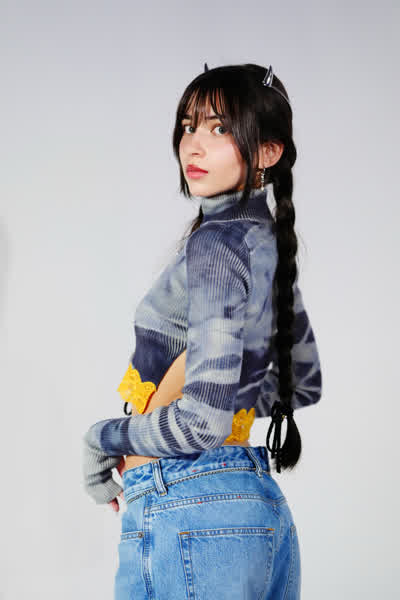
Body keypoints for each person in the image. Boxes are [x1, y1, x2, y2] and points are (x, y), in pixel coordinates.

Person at [82, 62, 323, 599]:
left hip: (187, 508)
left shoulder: (217, 243)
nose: (193, 144)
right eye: (189, 125)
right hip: (255, 507)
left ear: (268, 152)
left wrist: (103, 438)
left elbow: (203, 422)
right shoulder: (266, 242)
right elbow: (302, 381)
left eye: (220, 128)